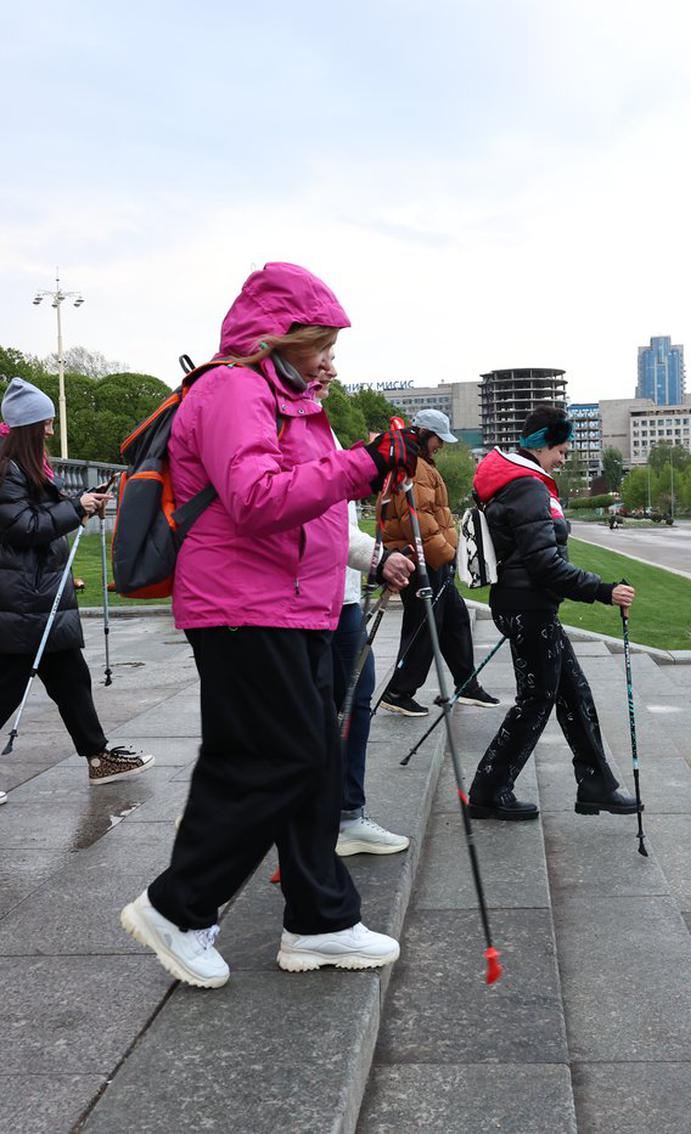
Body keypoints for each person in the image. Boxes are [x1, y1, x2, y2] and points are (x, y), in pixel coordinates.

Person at [119, 262, 419, 988]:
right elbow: (256, 499)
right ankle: (175, 908)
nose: (330, 358)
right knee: (267, 761)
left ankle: (320, 920)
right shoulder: (231, 389)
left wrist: (370, 472)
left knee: (312, 760)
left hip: (293, 606)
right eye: (321, 342)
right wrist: (360, 465)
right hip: (242, 606)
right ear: (282, 336)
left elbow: (308, 502)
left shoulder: (292, 400)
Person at [466, 404, 640, 821]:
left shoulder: (524, 482)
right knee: (536, 701)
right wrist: (603, 590)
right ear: (542, 445)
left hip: (528, 606)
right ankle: (489, 791)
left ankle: (596, 784)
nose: (564, 457)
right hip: (528, 609)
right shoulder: (528, 488)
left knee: (572, 693)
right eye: (561, 448)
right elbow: (546, 564)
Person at [0, 378, 154, 787]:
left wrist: (81, 506)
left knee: (72, 680)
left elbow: (42, 520)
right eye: (47, 424)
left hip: (40, 599)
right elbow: (23, 527)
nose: (51, 430)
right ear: (29, 428)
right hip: (24, 602)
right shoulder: (7, 470)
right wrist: (74, 507)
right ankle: (98, 755)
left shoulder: (28, 467)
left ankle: (99, 756)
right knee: (8, 689)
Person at [313, 356, 413, 855]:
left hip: (342, 599)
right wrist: (379, 559)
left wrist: (378, 559)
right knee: (322, 712)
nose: (331, 368)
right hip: (307, 605)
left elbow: (337, 521)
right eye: (320, 353)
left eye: (333, 354)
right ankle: (317, 819)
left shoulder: (318, 425)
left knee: (354, 704)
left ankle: (345, 813)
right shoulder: (282, 421)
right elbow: (311, 520)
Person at [378, 409, 498, 717]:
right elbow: (417, 519)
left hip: (431, 559)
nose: (440, 446)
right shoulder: (415, 466)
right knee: (423, 627)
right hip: (421, 560)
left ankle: (466, 683)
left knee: (455, 619)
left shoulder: (423, 464)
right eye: (437, 440)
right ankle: (399, 691)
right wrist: (447, 555)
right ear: (423, 435)